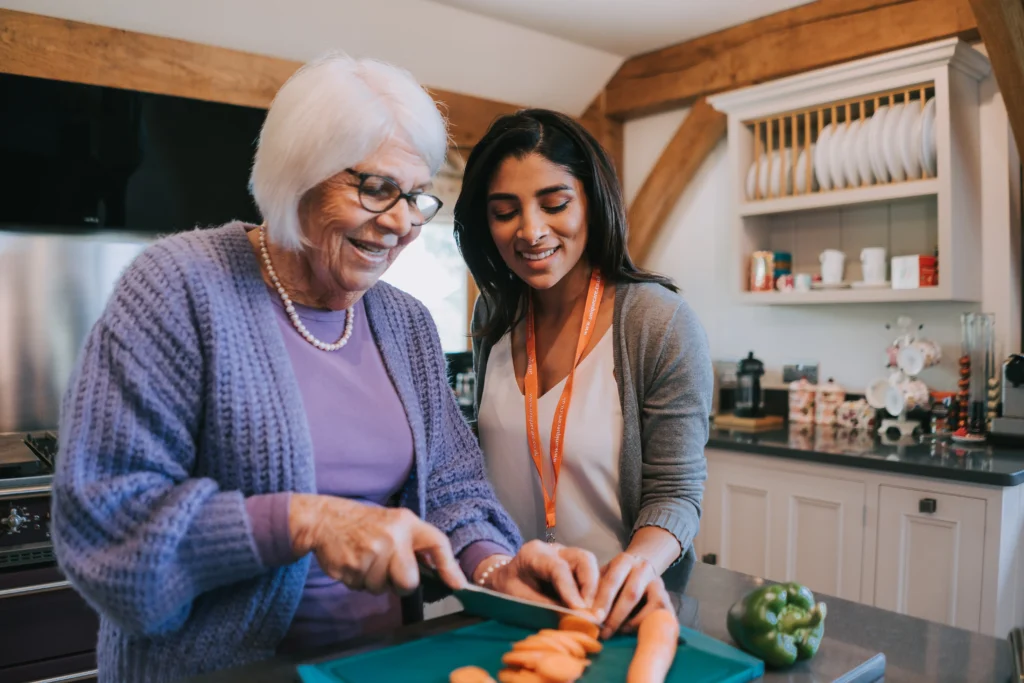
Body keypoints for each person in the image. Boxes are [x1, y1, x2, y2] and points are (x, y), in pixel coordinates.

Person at [51, 57, 601, 683]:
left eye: (417, 197)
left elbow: (453, 487)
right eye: (375, 189)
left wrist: (494, 567)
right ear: (299, 172)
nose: (402, 224)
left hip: (379, 667)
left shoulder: (406, 322)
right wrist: (304, 521)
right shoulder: (178, 287)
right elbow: (106, 523)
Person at [454, 109, 714, 640]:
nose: (530, 231)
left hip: (615, 614)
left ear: (593, 203)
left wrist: (633, 571)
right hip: (507, 604)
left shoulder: (656, 321)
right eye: (505, 211)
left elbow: (678, 493)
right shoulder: (492, 313)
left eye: (554, 205)